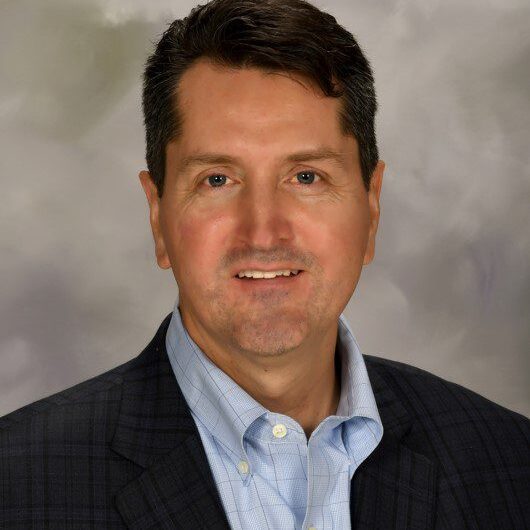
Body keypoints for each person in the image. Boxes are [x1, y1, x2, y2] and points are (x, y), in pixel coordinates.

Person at [1, 0, 528, 528]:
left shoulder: (508, 464)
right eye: (217, 180)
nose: (263, 231)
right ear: (158, 218)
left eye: (306, 177)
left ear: (371, 208)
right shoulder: (17, 484)